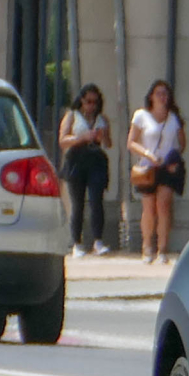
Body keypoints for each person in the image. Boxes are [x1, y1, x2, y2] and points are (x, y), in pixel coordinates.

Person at [128, 80, 186, 264]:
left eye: (165, 94)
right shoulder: (141, 116)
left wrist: (173, 158)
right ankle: (147, 247)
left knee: (163, 206)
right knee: (148, 208)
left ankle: (162, 249)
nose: (162, 97)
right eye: (158, 93)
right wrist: (147, 154)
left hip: (166, 167)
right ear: (151, 96)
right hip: (147, 167)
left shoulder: (173, 117)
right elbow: (131, 142)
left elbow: (182, 143)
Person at [57, 84, 112, 257]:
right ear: (81, 100)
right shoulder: (72, 116)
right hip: (76, 158)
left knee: (96, 200)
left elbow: (109, 143)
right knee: (77, 202)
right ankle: (76, 242)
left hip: (95, 158)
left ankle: (98, 240)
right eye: (88, 101)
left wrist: (102, 137)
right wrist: (81, 137)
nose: (91, 106)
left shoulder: (102, 119)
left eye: (95, 102)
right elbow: (63, 140)